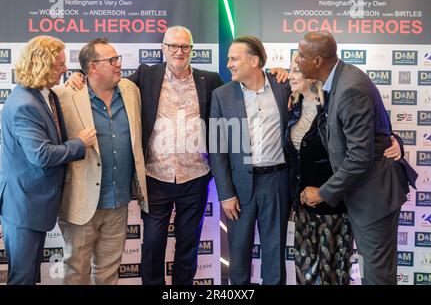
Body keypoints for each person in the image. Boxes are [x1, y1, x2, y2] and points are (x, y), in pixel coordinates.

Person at [65, 26, 288, 285]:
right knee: (152, 246)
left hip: (194, 178)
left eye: (185, 47)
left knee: (188, 247)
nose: (179, 52)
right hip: (156, 177)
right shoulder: (146, 75)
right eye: (173, 46)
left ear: (192, 50)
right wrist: (78, 76)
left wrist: (276, 72)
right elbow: (106, 80)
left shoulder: (211, 81)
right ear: (163, 49)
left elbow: (247, 88)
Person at [297, 31, 417, 285]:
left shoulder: (350, 87)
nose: (297, 61)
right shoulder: (337, 80)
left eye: (301, 56)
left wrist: (322, 193)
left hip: (374, 197)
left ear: (318, 61)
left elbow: (360, 157)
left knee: (378, 277)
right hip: (363, 194)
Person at [0, 35, 96, 285]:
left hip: (31, 202)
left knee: (27, 273)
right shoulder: (25, 104)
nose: (64, 68)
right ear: (42, 65)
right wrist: (79, 144)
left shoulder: (41, 94)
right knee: (23, 276)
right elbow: (41, 154)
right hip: (23, 205)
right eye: (59, 64)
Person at [53, 38, 148, 285]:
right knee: (76, 272)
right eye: (112, 60)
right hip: (80, 204)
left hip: (118, 202)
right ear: (92, 67)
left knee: (108, 273)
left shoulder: (130, 91)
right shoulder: (64, 95)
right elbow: (46, 141)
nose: (119, 64)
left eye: (118, 59)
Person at [209, 35, 291, 285]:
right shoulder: (221, 95)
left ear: (254, 60)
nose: (229, 64)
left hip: (277, 183)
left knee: (275, 256)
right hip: (239, 187)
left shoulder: (283, 86)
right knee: (239, 256)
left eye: (234, 58)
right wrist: (225, 194)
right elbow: (217, 148)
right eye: (228, 59)